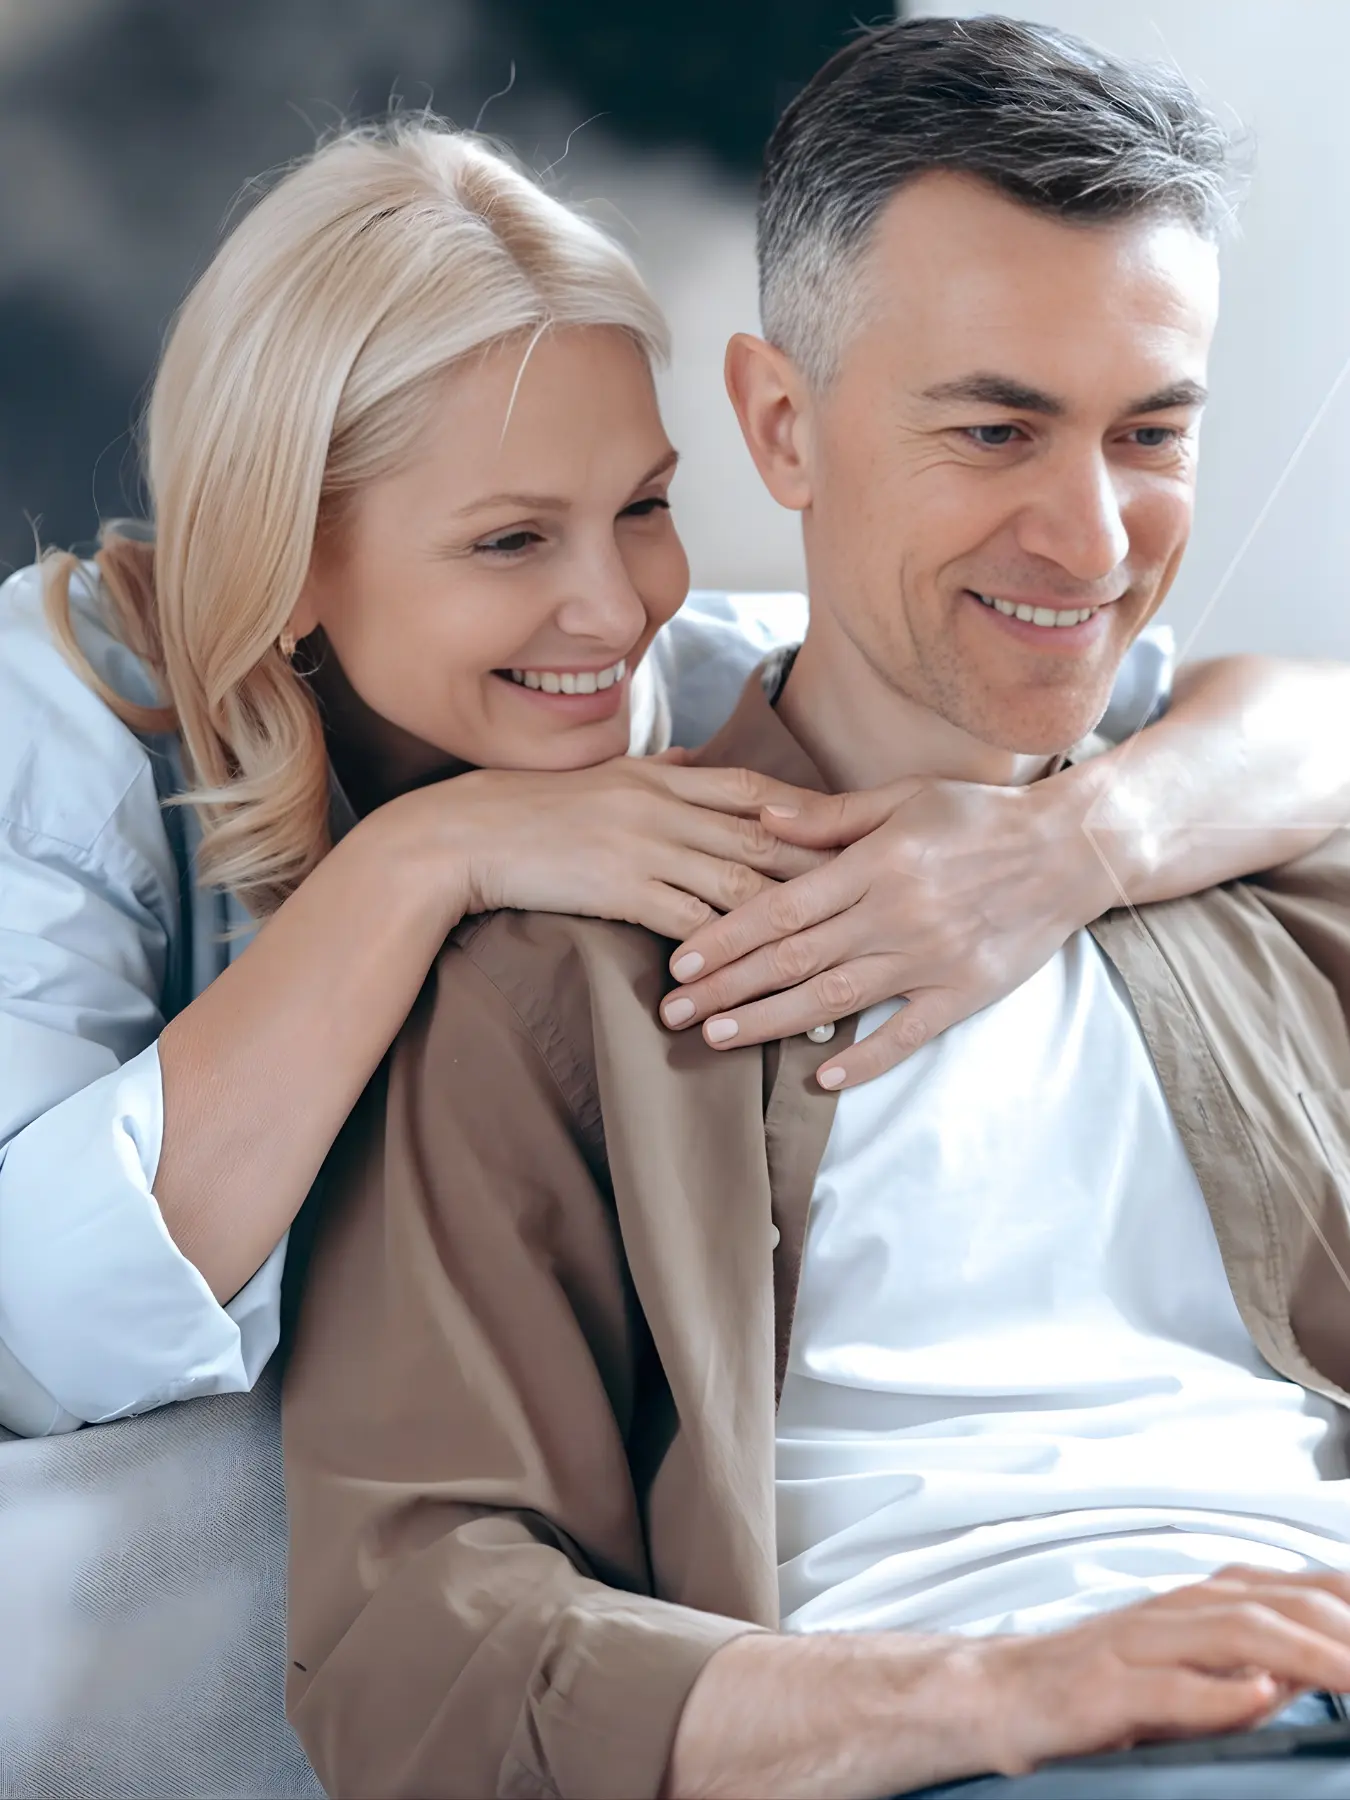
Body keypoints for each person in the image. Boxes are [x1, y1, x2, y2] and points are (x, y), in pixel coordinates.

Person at [284, 19, 1350, 1800]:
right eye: (996, 428)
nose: (1089, 540)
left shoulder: (1266, 875)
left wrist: (1086, 841)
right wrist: (988, 1696)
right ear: (781, 425)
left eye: (1148, 430)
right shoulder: (557, 976)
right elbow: (412, 1643)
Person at [3, 119, 1344, 1443]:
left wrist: (1074, 845)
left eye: (641, 508)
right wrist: (420, 860)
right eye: (513, 539)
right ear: (288, 555)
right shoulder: (65, 714)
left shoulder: (683, 690)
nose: (611, 608)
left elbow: (1302, 729)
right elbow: (44, 1336)